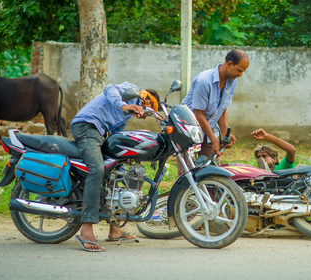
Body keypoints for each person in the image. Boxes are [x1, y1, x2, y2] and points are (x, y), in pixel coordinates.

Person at [70, 82, 159, 252]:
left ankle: (115, 227)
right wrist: (125, 105)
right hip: (86, 125)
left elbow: (116, 131)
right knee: (97, 169)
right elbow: (109, 88)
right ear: (145, 100)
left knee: (118, 170)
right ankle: (86, 229)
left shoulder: (128, 114)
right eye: (148, 110)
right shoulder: (130, 91)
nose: (145, 115)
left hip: (99, 132)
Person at [179, 49, 250, 174]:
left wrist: (225, 135)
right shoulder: (204, 81)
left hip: (208, 130)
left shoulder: (231, 81)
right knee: (187, 174)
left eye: (243, 72)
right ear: (229, 64)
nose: (240, 75)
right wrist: (214, 140)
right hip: (187, 128)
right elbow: (199, 115)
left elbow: (222, 110)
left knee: (211, 172)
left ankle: (208, 193)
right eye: (239, 70)